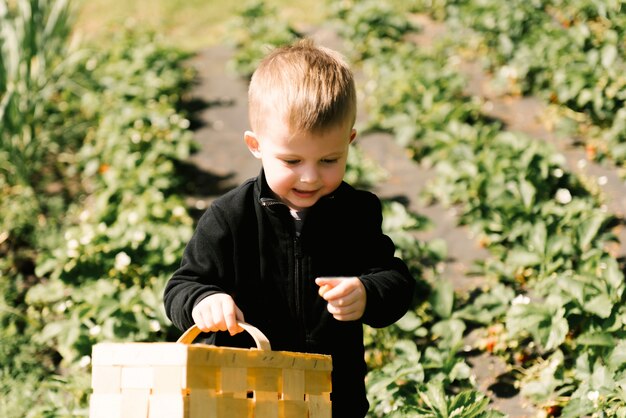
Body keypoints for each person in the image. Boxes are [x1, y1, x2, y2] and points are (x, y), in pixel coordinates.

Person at [164, 38, 415, 417]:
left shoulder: (356, 213)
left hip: (333, 395)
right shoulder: (230, 218)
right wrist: (203, 301)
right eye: (292, 160)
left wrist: (367, 292)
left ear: (350, 142)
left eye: (330, 159)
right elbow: (181, 286)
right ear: (256, 145)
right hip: (245, 395)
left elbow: (395, 279)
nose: (310, 177)